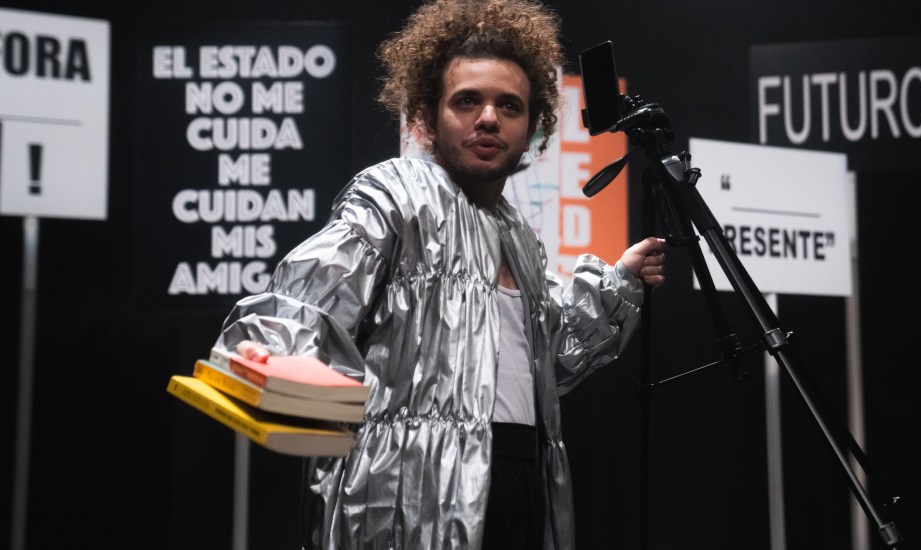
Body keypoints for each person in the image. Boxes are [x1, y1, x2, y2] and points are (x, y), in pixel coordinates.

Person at [213, 0, 667, 548]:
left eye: (509, 106)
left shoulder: (520, 238)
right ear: (428, 118)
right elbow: (313, 291)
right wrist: (270, 347)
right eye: (467, 101)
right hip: (408, 494)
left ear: (534, 128)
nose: (489, 118)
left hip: (520, 477)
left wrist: (618, 283)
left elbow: (548, 360)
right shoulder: (397, 195)